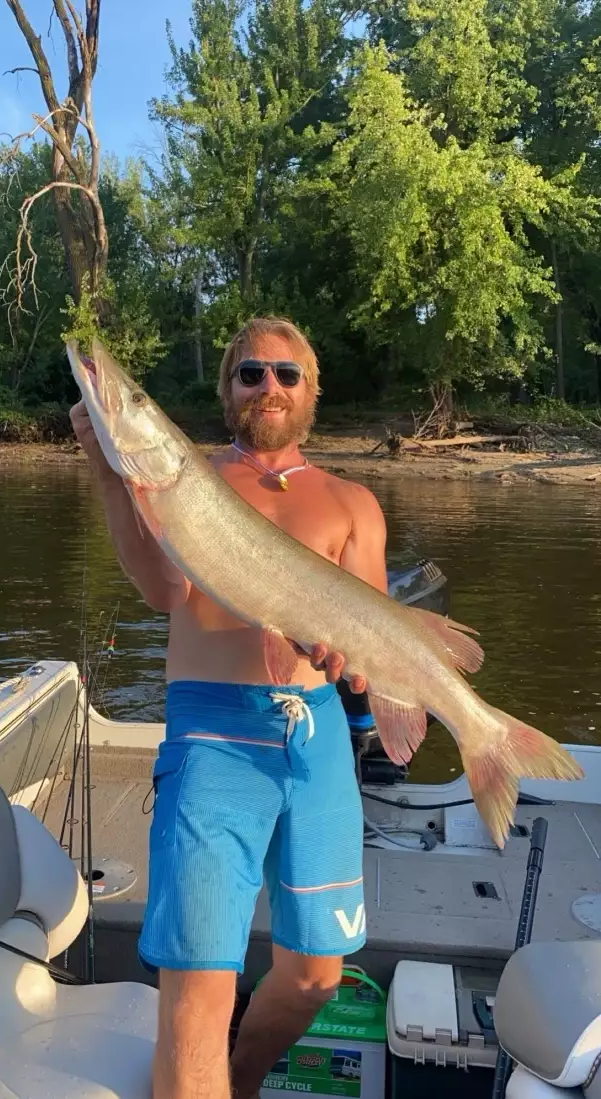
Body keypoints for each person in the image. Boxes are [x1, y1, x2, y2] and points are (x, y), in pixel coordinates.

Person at [70, 316, 388, 1099]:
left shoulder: (353, 503)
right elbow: (160, 588)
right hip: (212, 737)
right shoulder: (184, 479)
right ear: (227, 391)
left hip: (313, 741)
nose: (268, 386)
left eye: (286, 374)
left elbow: (374, 629)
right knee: (198, 988)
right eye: (251, 373)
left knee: (316, 972)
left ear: (311, 391)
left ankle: (241, 1079)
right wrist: (111, 471)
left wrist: (356, 666)